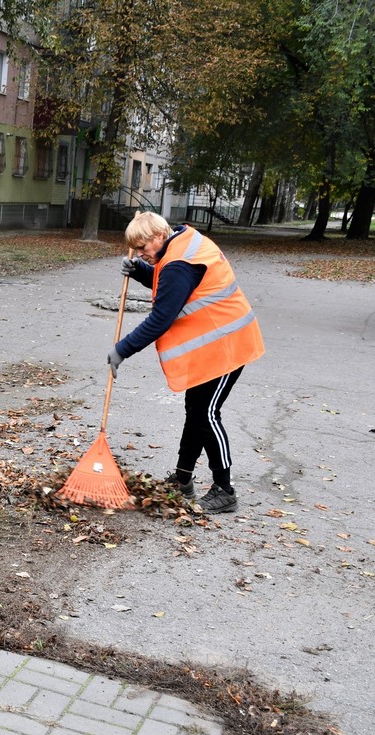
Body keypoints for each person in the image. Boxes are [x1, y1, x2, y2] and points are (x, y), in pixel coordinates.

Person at [106, 211, 265, 512]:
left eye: (142, 248)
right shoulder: (179, 244)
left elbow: (162, 316)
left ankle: (224, 489)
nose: (141, 253)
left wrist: (122, 349)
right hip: (213, 344)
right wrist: (140, 269)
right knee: (196, 411)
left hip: (227, 344)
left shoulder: (179, 262)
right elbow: (171, 284)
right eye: (137, 250)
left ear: (157, 236)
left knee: (206, 412)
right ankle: (182, 480)